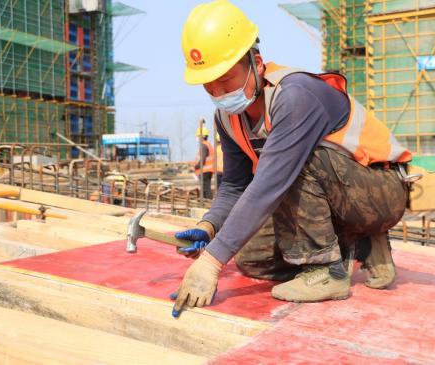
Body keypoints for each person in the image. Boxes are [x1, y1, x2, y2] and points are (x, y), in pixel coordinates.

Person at [171, 0, 412, 318]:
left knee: (291, 164)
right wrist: (210, 227)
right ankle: (358, 247)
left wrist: (212, 261)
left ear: (256, 63)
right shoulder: (226, 119)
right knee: (249, 257)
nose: (218, 92)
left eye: (226, 80)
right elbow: (235, 186)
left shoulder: (295, 96)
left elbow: (270, 182)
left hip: (380, 190)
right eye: (209, 85)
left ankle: (328, 272)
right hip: (340, 199)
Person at [194, 122, 215, 199]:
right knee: (206, 188)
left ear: (201, 136)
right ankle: (208, 203)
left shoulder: (203, 145)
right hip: (208, 170)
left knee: (205, 189)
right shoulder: (208, 144)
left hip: (204, 170)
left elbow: (202, 159)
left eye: (198, 136)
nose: (197, 138)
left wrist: (196, 167)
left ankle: (207, 204)